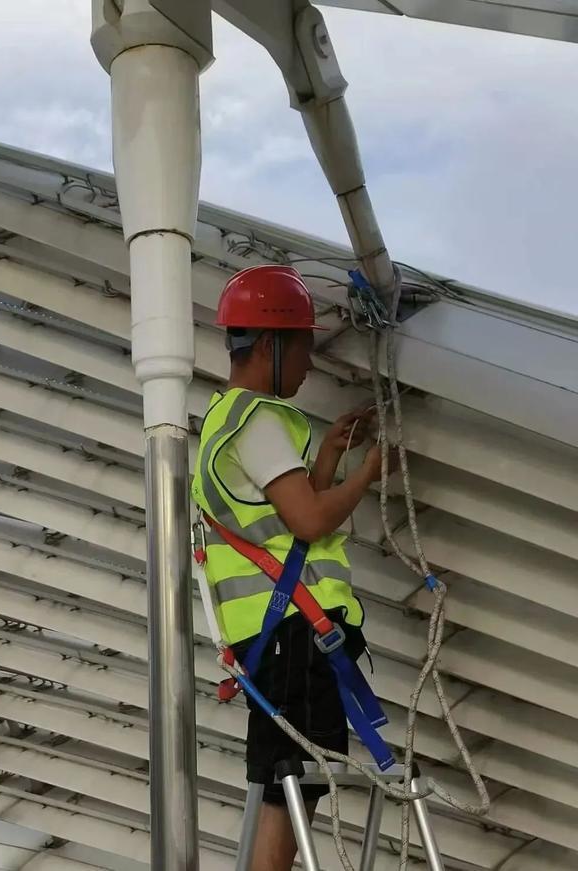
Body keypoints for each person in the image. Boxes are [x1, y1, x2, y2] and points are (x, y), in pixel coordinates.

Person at [192, 264, 394, 871]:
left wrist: (330, 454)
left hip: (274, 638)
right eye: (303, 347)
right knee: (293, 785)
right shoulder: (257, 421)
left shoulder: (226, 419)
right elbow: (308, 522)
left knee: (287, 780)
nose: (308, 365)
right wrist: (366, 474)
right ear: (272, 345)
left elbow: (282, 525)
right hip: (292, 638)